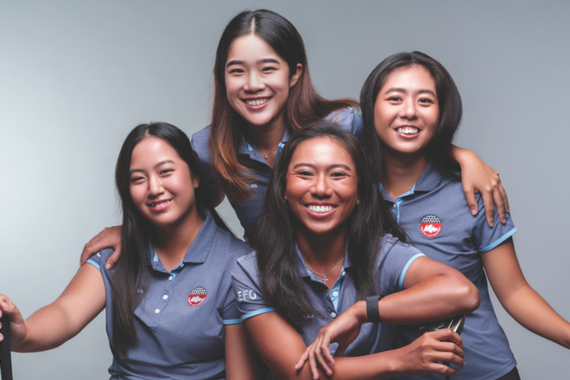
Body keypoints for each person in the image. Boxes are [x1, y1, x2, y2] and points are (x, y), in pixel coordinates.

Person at [79, 9, 508, 268]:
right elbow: (184, 208)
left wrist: (462, 155)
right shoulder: (209, 150)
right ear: (220, 78)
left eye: (268, 68)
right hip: (275, 289)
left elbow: (403, 145)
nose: (252, 84)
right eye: (236, 71)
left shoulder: (345, 126)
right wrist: (135, 229)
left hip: (355, 282)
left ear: (294, 73)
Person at [298, 52, 570, 380]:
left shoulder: (472, 190)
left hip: (484, 371)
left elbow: (514, 292)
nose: (409, 111)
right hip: (395, 370)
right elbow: (294, 154)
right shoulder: (346, 193)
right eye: (395, 98)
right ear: (371, 109)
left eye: (425, 100)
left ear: (442, 113)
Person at [0, 123, 258, 379]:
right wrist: (22, 332)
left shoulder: (237, 264)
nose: (154, 189)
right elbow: (65, 313)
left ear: (195, 176)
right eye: (138, 179)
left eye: (166, 171)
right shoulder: (114, 253)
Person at [232, 122, 481, 379]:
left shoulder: (380, 252)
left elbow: (463, 293)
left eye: (338, 175)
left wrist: (361, 312)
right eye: (305, 173)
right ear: (283, 187)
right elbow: (303, 373)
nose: (321, 189)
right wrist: (401, 359)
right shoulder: (252, 271)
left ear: (360, 191)